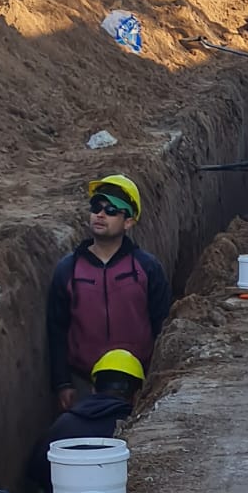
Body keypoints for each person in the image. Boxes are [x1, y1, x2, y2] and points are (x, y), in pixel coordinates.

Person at [46, 175, 170, 410]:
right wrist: (62, 383)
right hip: (84, 383)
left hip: (136, 385)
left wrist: (157, 378)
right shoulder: (68, 270)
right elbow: (57, 330)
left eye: (112, 210)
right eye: (96, 207)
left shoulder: (147, 268)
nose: (100, 215)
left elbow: (162, 324)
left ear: (128, 222)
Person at [26, 349, 144, 493]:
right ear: (138, 395)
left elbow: (35, 472)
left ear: (93, 389)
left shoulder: (63, 424)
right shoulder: (137, 429)